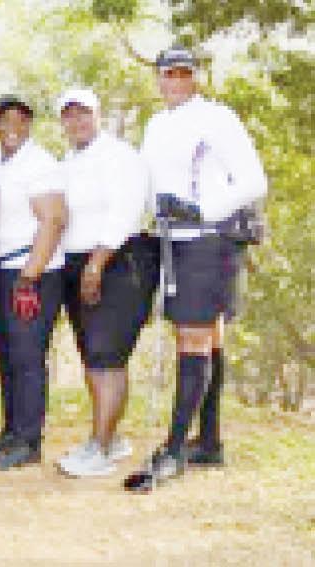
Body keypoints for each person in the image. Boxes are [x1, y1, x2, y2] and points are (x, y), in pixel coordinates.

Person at [129, 46, 266, 485]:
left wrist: (201, 209)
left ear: (196, 77)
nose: (174, 80)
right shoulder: (156, 124)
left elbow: (252, 180)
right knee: (204, 335)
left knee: (194, 337)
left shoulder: (217, 118)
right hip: (173, 243)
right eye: (167, 72)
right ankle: (209, 442)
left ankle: (172, 450)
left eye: (183, 72)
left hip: (210, 240)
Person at [52, 88, 155, 478]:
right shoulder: (68, 162)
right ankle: (108, 437)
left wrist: (96, 264)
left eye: (83, 114)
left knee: (107, 356)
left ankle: (101, 447)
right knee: (93, 356)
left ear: (97, 115)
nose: (77, 122)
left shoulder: (120, 156)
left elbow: (125, 212)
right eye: (69, 115)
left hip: (118, 261)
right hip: (79, 263)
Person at [0, 94, 67, 471]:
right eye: (4, 121)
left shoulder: (40, 163)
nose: (12, 127)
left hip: (32, 271)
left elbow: (53, 220)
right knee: (5, 353)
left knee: (28, 356)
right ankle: (12, 431)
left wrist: (30, 274)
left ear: (29, 123)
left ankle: (30, 439)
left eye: (20, 120)